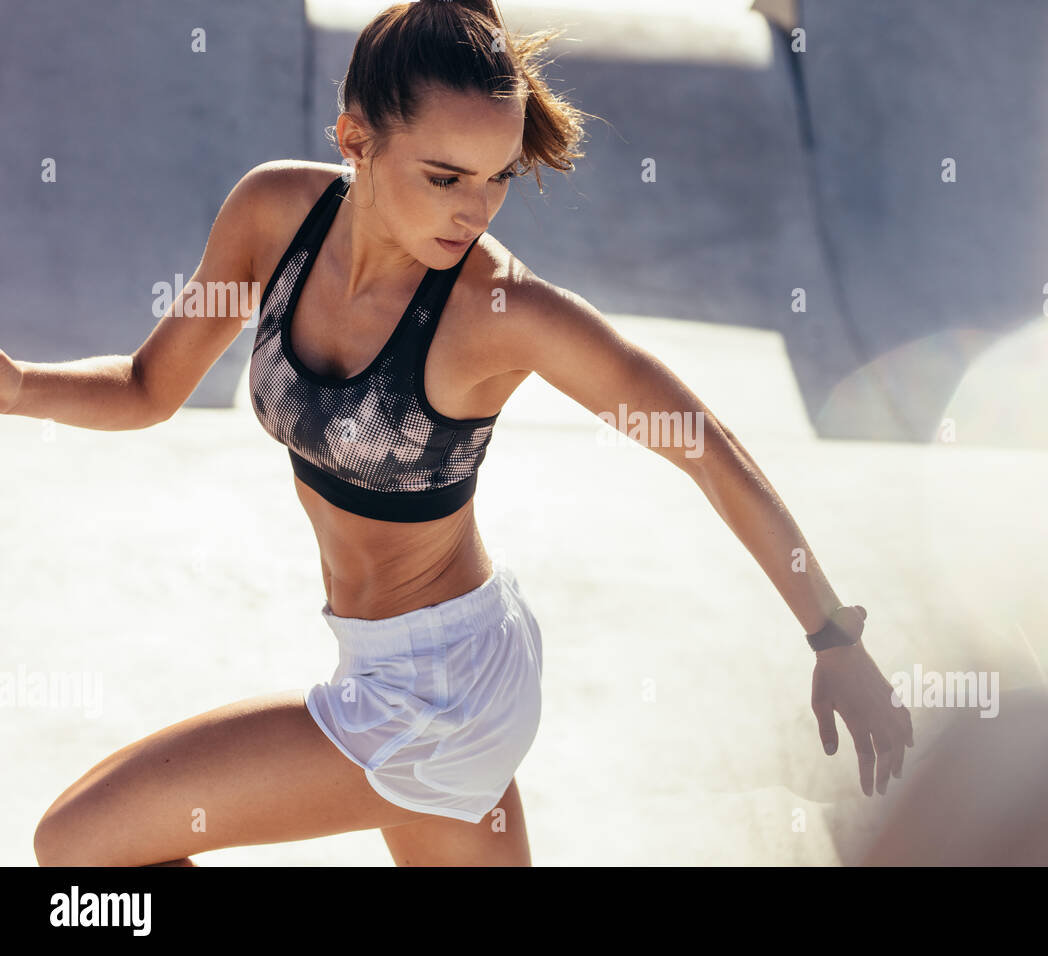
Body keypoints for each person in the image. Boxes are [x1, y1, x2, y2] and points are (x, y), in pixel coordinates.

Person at [1, 0, 912, 867]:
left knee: (75, 850)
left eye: (497, 179)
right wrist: (17, 387)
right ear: (356, 139)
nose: (474, 213)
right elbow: (146, 386)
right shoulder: (273, 216)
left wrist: (834, 637)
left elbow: (701, 445)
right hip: (413, 665)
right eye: (445, 178)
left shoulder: (503, 313)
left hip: (441, 697)